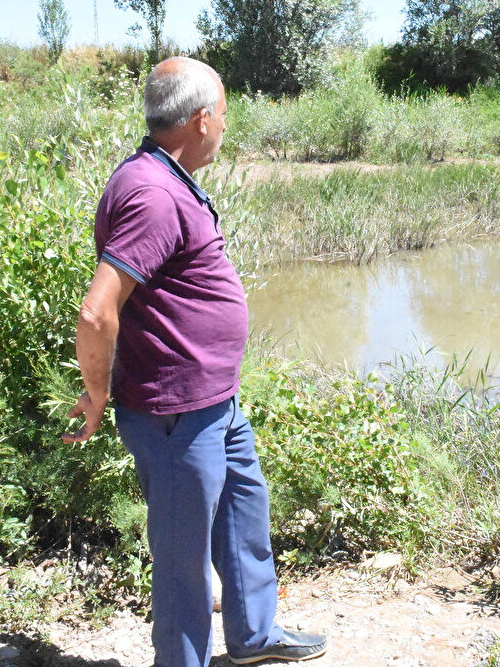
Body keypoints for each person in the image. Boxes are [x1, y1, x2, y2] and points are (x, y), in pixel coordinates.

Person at [60, 57, 327, 667]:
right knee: (183, 562)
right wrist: (98, 392)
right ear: (202, 119)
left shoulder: (164, 174)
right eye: (225, 116)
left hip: (214, 402)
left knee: (244, 512)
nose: (226, 127)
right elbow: (98, 312)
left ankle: (256, 636)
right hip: (175, 414)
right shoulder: (152, 194)